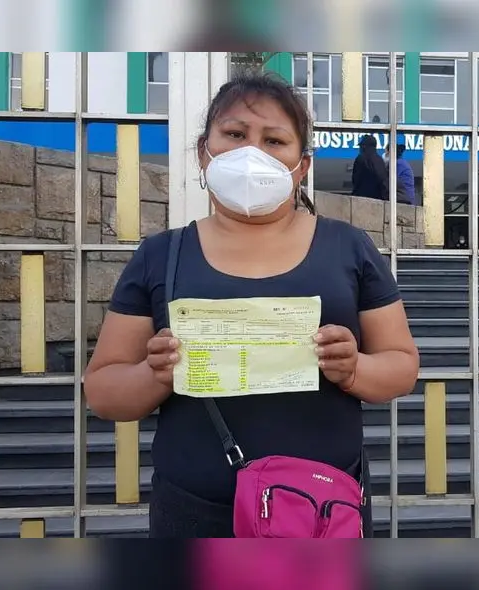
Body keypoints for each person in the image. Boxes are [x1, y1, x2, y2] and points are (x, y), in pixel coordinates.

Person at [83, 72, 420, 538]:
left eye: (274, 140)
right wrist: (154, 372)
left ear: (301, 165)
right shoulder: (161, 255)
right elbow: (102, 391)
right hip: (194, 517)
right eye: (235, 134)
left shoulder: (349, 248)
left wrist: (354, 368)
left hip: (320, 514)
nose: (251, 153)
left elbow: (402, 366)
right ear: (205, 150)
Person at [351, 134, 389, 200]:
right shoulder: (380, 160)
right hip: (378, 198)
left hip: (362, 197)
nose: (360, 149)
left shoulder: (361, 158)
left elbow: (356, 179)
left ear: (364, 147)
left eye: (361, 146)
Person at [383, 139, 416, 205]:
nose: (384, 155)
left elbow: (389, 182)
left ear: (390, 153)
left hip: (403, 200)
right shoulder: (401, 162)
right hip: (405, 198)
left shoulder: (397, 164)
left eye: (386, 152)